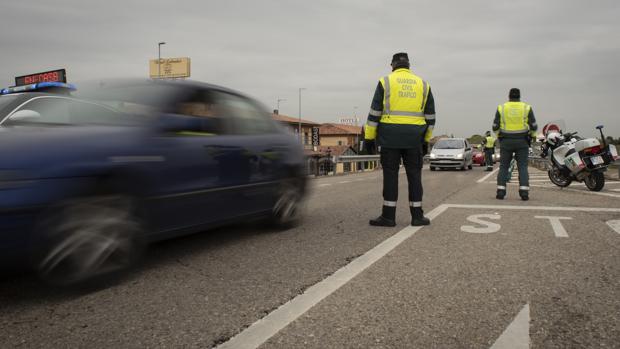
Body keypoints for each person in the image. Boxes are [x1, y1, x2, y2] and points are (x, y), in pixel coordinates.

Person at [364, 52, 436, 227]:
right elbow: (431, 117)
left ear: (392, 65)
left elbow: (374, 114)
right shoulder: (423, 85)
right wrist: (426, 140)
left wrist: (368, 138)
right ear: (409, 65)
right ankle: (417, 216)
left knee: (390, 177)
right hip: (414, 139)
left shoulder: (385, 82)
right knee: (414, 176)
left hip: (389, 138)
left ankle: (388, 217)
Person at [493, 88, 537, 200]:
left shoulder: (501, 108)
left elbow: (495, 127)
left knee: (503, 166)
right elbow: (534, 126)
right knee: (522, 166)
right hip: (522, 141)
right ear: (519, 96)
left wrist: (499, 136)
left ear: (509, 96)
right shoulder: (526, 108)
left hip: (506, 141)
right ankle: (524, 192)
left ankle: (501, 192)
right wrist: (531, 135)